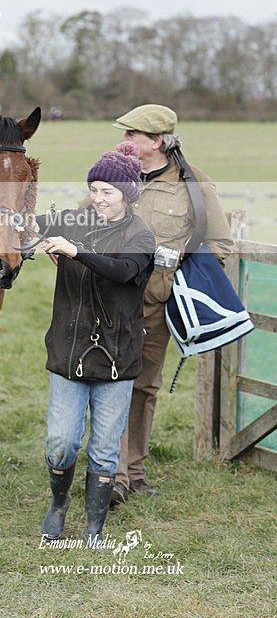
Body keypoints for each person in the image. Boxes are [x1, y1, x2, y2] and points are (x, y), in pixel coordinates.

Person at [110, 104, 234, 507]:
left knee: (142, 388)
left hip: (155, 307)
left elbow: (219, 244)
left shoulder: (195, 184)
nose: (123, 141)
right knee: (111, 383)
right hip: (110, 301)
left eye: (132, 135)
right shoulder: (115, 172)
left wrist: (179, 272)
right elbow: (86, 218)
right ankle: (113, 474)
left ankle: (134, 472)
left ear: (156, 141)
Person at [36, 142, 155, 548]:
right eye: (94, 188)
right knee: (61, 442)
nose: (98, 198)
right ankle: (57, 505)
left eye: (108, 191)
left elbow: (122, 272)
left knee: (104, 450)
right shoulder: (72, 220)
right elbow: (28, 223)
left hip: (118, 357)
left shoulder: (141, 236)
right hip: (69, 352)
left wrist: (76, 251)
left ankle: (93, 526)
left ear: (127, 196)